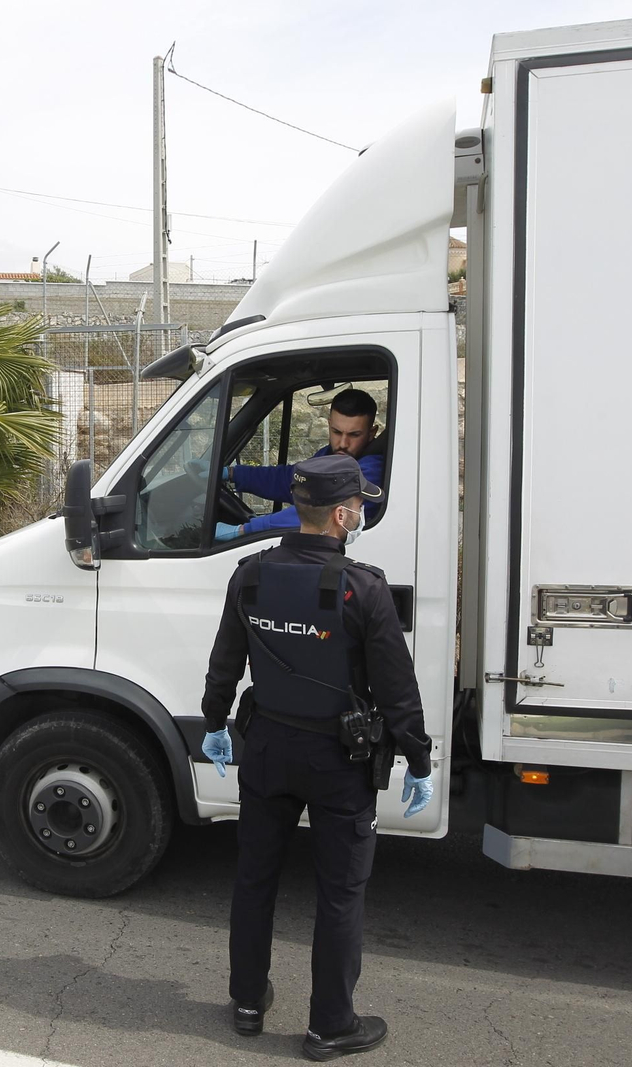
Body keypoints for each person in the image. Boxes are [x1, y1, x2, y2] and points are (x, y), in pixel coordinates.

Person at [197, 453, 434, 1059]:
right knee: (339, 893)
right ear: (341, 514)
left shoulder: (249, 575)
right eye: (359, 504)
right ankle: (330, 1026)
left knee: (254, 879)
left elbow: (225, 663)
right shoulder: (363, 588)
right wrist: (420, 760)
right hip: (339, 759)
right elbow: (396, 689)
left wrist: (216, 723)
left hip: (268, 749)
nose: (361, 512)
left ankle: (247, 1001)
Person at [215, 388, 384, 542]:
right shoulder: (330, 456)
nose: (343, 443)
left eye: (354, 435)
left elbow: (319, 512)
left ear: (372, 433)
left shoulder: (371, 471)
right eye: (337, 432)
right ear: (329, 425)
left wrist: (245, 530)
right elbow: (291, 480)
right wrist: (232, 473)